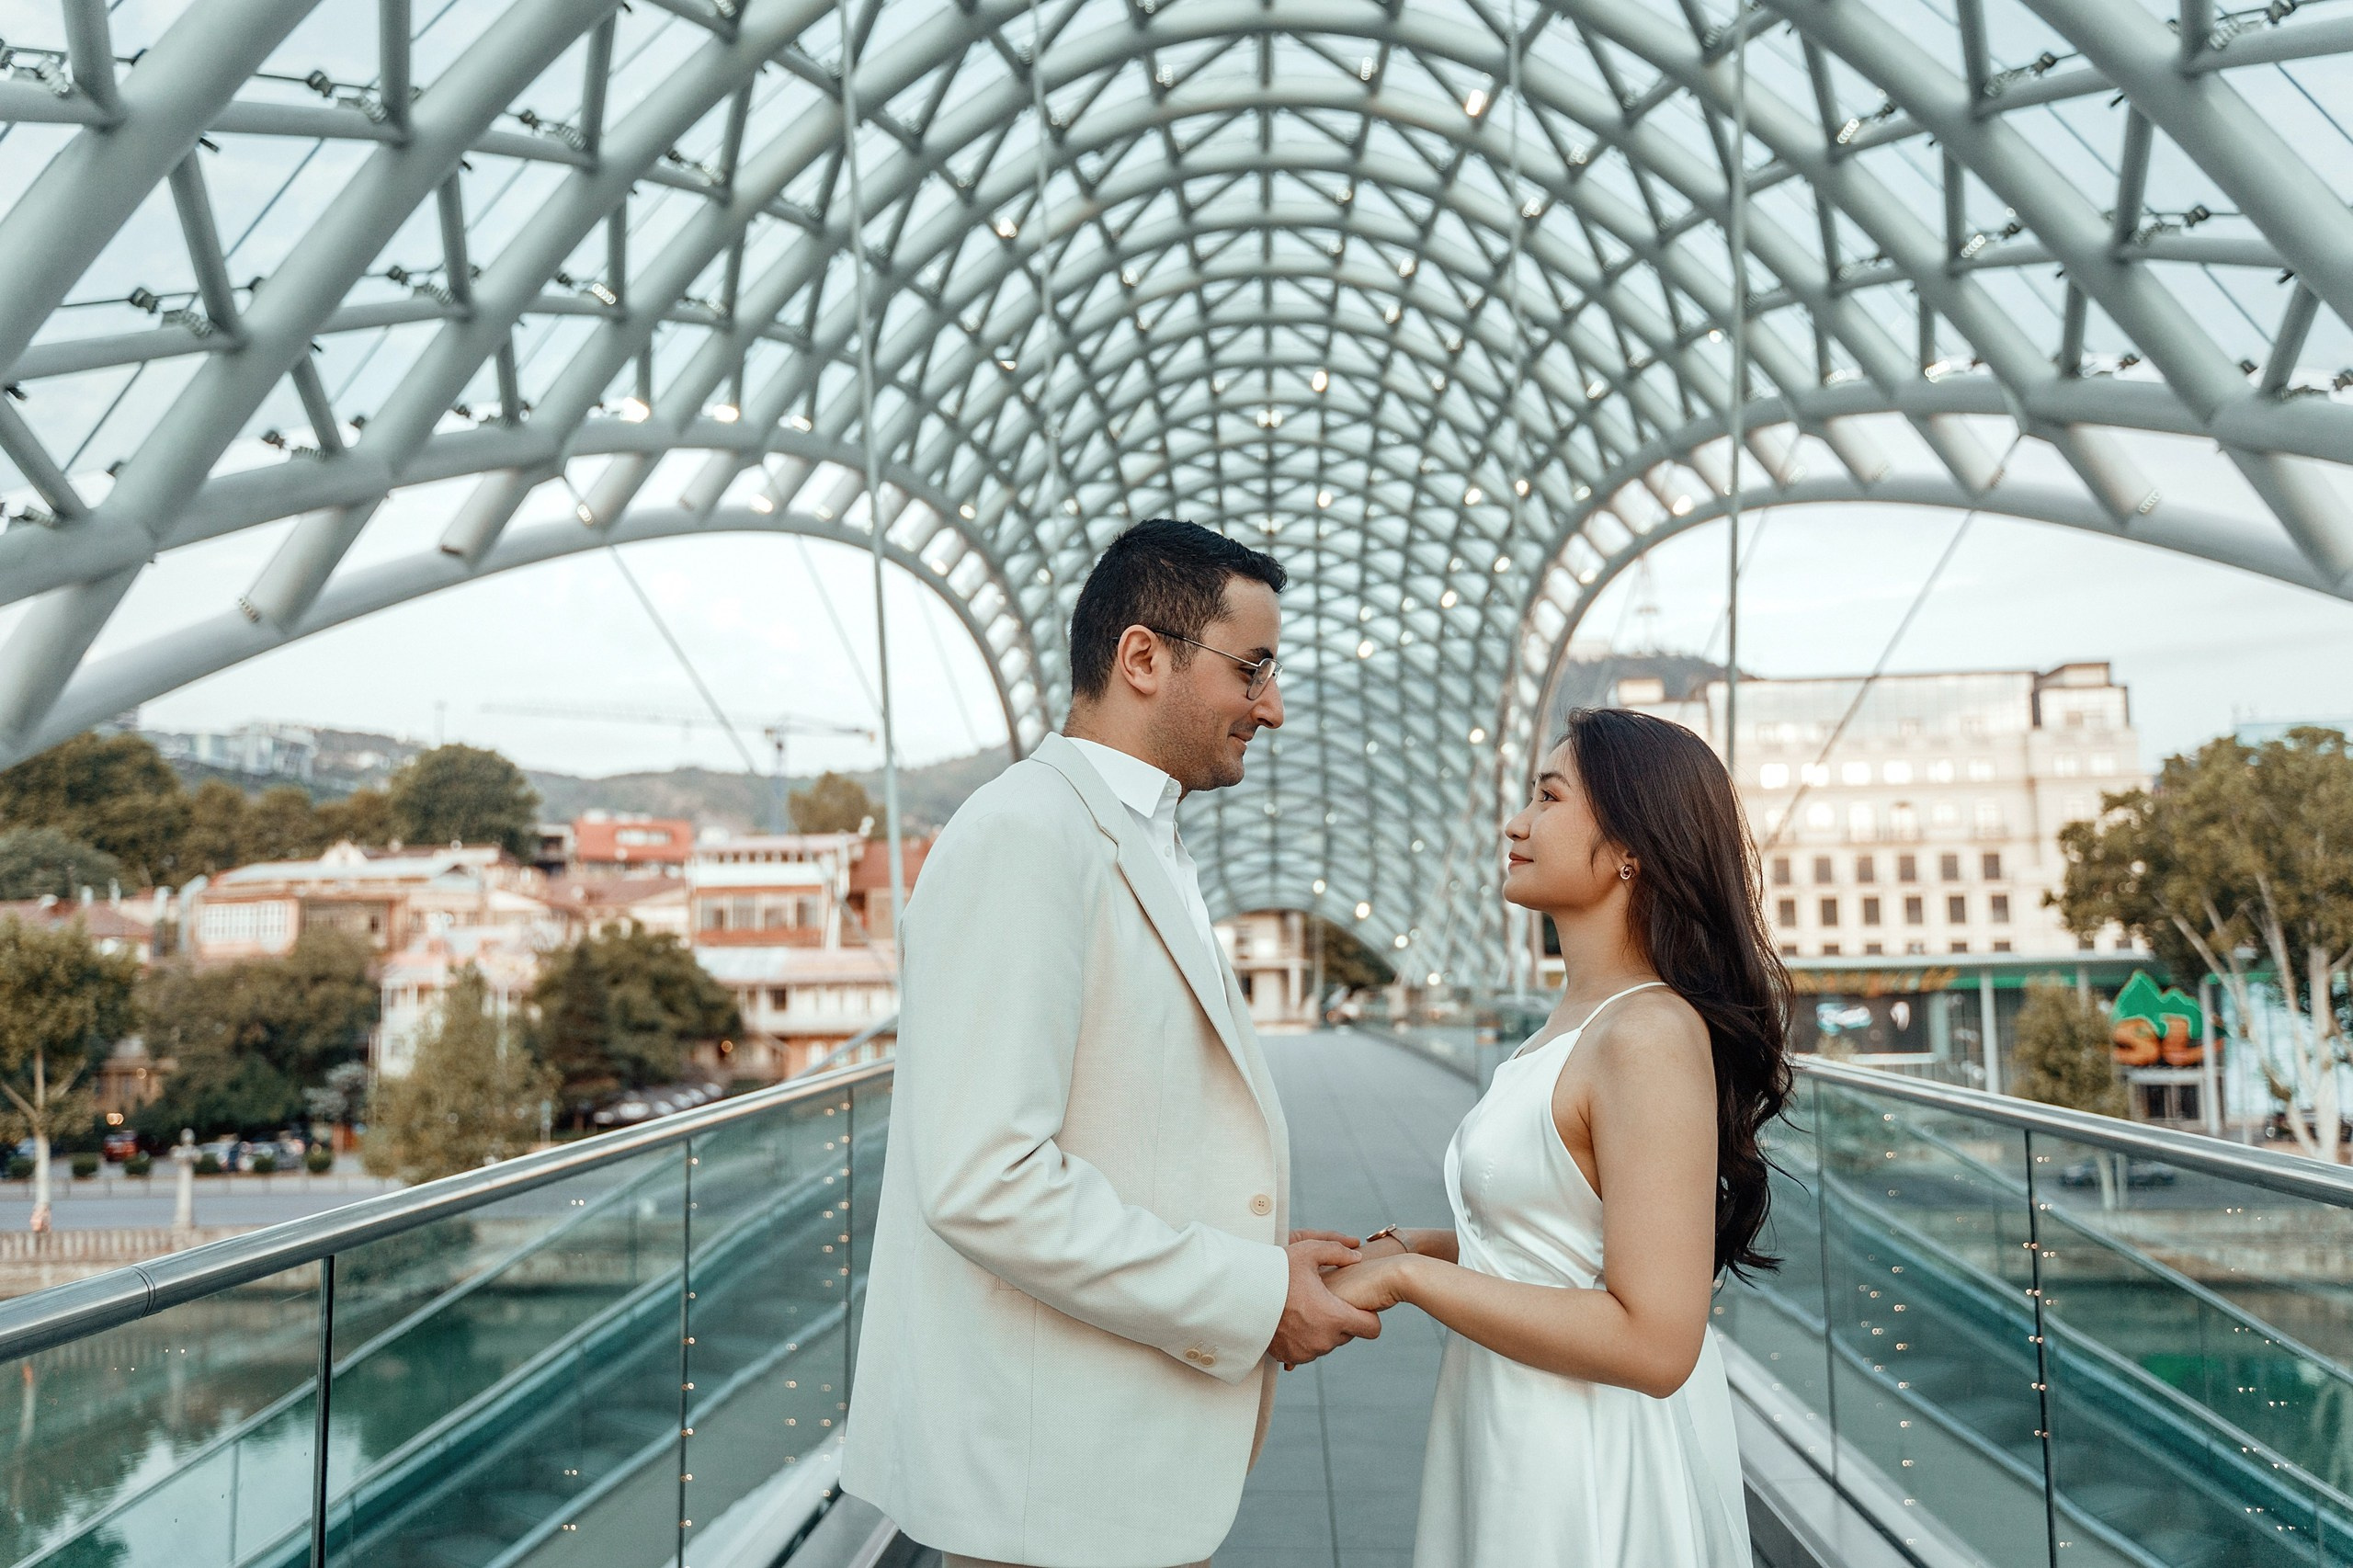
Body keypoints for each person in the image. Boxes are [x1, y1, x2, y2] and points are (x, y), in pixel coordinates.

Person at [842, 517, 1380, 1568]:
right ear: (1143, 657)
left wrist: (1262, 1259)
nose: (1271, 705)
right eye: (1253, 667)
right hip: (1051, 1492)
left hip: (1104, 1471)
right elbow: (987, 1179)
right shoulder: (1025, 834)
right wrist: (1253, 1293)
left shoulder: (1128, 835)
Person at [1325, 707, 1791, 1566]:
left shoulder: (1646, 1034)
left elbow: (1655, 1344)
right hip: (1515, 1427)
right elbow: (1562, 1242)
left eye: (1547, 797)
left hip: (1588, 1465)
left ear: (1630, 848)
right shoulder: (1572, 1022)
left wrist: (1407, 1278)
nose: (1516, 822)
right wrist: (1417, 1246)